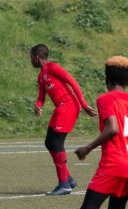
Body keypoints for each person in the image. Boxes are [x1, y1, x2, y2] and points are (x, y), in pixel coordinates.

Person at [75, 56, 128, 209]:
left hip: (114, 163)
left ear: (106, 80)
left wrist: (87, 148)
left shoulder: (106, 99)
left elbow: (112, 128)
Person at [30, 44, 97, 195]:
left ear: (36, 57)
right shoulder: (41, 76)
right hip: (60, 108)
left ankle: (64, 184)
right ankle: (68, 180)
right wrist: (38, 105)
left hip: (69, 106)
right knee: (49, 142)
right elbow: (41, 97)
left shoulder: (53, 67)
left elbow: (72, 82)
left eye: (31, 58)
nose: (30, 61)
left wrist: (84, 104)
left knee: (56, 143)